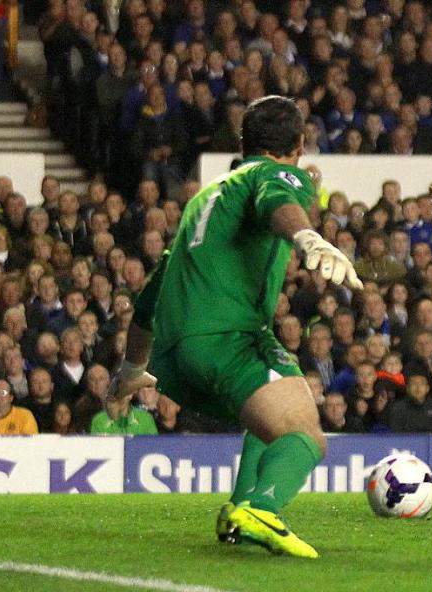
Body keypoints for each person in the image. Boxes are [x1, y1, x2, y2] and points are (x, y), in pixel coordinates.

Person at [106, 95, 362, 559]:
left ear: (243, 142)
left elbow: (149, 297)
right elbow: (279, 200)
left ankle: (241, 509)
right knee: (306, 436)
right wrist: (308, 236)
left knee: (270, 415)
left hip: (175, 362)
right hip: (231, 339)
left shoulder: (204, 200)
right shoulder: (273, 175)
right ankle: (263, 507)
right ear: (299, 144)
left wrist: (131, 369)